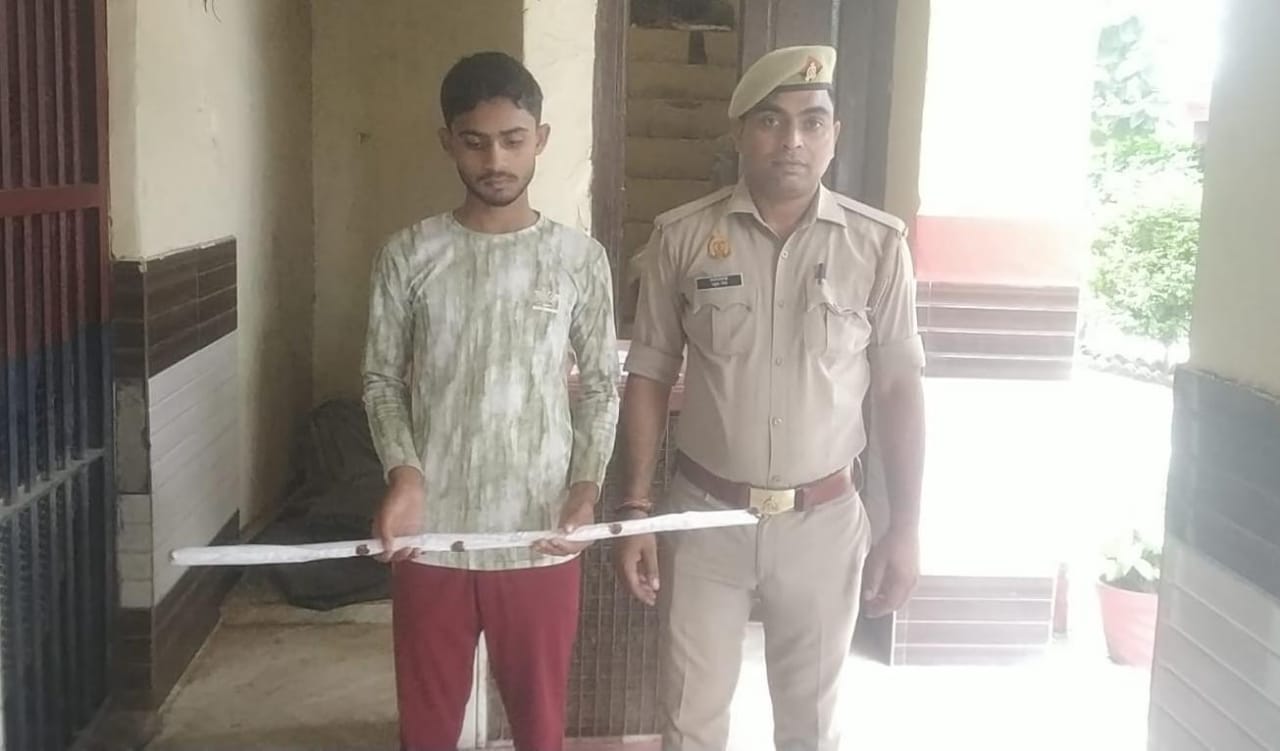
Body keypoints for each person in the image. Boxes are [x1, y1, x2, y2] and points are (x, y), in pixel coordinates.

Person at [613, 45, 927, 751]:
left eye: (812, 122)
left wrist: (904, 525)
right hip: (704, 518)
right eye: (770, 121)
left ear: (834, 135)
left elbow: (899, 387)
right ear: (739, 132)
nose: (792, 141)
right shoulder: (683, 238)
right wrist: (634, 509)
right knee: (690, 721)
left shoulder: (877, 247)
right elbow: (650, 373)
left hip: (824, 521)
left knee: (810, 725)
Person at [361, 51, 621, 751]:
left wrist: (586, 487)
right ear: (447, 140)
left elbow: (602, 384)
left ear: (541, 138)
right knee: (427, 730)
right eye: (475, 141)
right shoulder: (409, 255)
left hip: (539, 534)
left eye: (513, 139)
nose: (495, 160)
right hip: (432, 537)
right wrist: (405, 475)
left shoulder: (578, 259)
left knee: (540, 729)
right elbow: (382, 379)